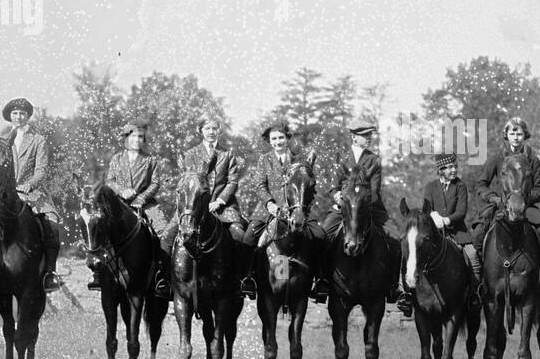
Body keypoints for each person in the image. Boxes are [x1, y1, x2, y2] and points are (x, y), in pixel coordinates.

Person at [472, 116, 540, 301]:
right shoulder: (496, 158)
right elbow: (481, 185)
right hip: (500, 207)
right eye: (512, 132)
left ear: (525, 135)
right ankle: (482, 282)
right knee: (478, 234)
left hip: (526, 206)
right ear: (506, 134)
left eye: (519, 133)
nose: (515, 136)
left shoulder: (533, 160)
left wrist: (523, 199)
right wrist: (495, 198)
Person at [317, 120, 401, 305]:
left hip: (369, 208)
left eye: (370, 135)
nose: (369, 138)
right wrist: (338, 195)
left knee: (396, 240)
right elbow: (333, 187)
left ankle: (394, 286)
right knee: (322, 236)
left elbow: (375, 190)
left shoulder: (374, 160)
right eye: (365, 135)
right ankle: (321, 281)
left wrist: (362, 203)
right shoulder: (341, 157)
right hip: (343, 208)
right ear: (354, 137)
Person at [399, 150, 480, 318]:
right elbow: (427, 209)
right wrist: (432, 217)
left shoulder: (460, 186)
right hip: (434, 233)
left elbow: (461, 211)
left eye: (455, 166)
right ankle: (405, 294)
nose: (453, 170)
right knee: (409, 254)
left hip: (457, 232)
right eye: (449, 167)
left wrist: (446, 220)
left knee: (473, 256)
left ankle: (474, 294)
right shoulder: (430, 187)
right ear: (440, 169)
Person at [240, 120, 315, 299]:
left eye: (281, 137)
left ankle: (319, 280)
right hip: (268, 210)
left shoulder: (298, 160)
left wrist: (303, 208)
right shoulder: (264, 160)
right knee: (248, 238)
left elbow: (308, 186)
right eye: (274, 139)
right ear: (269, 141)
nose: (278, 142)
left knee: (318, 236)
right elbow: (259, 185)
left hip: (295, 211)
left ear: (287, 138)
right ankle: (247, 278)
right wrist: (270, 204)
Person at [97, 120, 170, 299]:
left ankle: (163, 276)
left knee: (165, 233)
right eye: (134, 137)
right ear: (126, 138)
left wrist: (141, 198)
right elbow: (110, 181)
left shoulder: (151, 160)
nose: (137, 140)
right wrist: (122, 191)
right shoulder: (117, 158)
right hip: (120, 204)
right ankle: (99, 273)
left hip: (146, 204)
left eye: (140, 137)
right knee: (99, 227)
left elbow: (156, 183)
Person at [168, 113, 249, 273]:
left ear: (219, 130)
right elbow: (187, 183)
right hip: (194, 207)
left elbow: (232, 182)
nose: (211, 132)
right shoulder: (190, 154)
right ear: (201, 130)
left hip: (224, 208)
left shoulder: (228, 154)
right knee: (166, 236)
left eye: (214, 128)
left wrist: (219, 201)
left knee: (239, 235)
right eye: (207, 128)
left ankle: (242, 278)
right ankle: (165, 279)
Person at [4, 97, 62, 292]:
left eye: (22, 113)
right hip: (7, 193)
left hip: (34, 194)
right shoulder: (2, 140)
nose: (18, 117)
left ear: (28, 116)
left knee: (51, 224)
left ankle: (50, 273)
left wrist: (30, 184)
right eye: (15, 113)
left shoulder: (39, 140)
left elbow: (41, 170)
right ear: (9, 116)